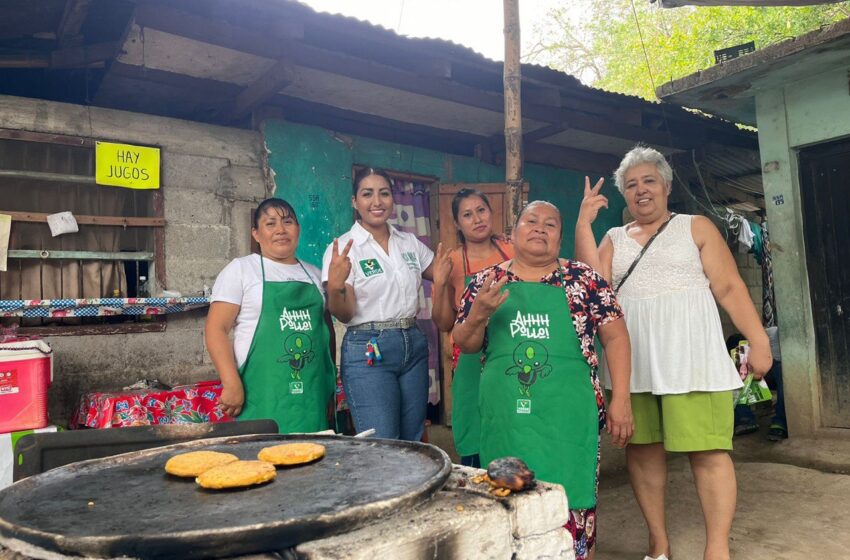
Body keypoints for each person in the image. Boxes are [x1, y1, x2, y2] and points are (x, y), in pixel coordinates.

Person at [575, 145, 772, 560]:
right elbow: (592, 287)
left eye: (648, 181)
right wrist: (583, 222)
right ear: (624, 195)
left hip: (692, 359)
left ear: (666, 185)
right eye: (631, 185)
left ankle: (716, 549)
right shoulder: (613, 238)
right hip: (634, 364)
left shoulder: (695, 226)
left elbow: (729, 287)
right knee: (643, 452)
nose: (640, 190)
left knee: (709, 451)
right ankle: (658, 543)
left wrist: (759, 340)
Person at [454, 200, 633, 560]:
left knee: (573, 504)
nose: (540, 228)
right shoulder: (487, 283)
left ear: (560, 238)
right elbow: (465, 343)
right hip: (506, 419)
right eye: (531, 221)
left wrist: (621, 400)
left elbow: (616, 337)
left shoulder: (586, 281)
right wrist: (479, 315)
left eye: (551, 224)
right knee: (508, 508)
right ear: (513, 232)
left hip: (570, 419)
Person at [322, 167, 435, 441]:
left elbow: (442, 274)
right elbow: (344, 313)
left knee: (413, 441)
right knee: (382, 442)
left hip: (413, 344)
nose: (377, 201)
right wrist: (336, 286)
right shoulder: (344, 248)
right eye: (367, 194)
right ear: (355, 202)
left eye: (384, 193)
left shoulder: (409, 242)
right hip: (368, 349)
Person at [206, 198, 336, 433]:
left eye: (288, 222)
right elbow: (216, 329)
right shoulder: (242, 270)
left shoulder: (315, 275)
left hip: (312, 396)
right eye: (270, 223)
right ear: (256, 234)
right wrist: (231, 382)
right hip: (262, 393)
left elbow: (325, 332)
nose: (280, 230)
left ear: (298, 229)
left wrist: (329, 386)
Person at [431, 188, 514, 468]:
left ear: (491, 213)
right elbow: (443, 322)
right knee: (477, 430)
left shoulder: (513, 251)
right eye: (467, 214)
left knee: (513, 425)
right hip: (470, 358)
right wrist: (440, 283)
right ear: (457, 223)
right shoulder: (452, 262)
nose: (476, 218)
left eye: (481, 210)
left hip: (512, 352)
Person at [731, 327, 787, 441]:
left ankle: (780, 421)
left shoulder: (777, 334)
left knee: (782, 370)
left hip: (773, 371)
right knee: (738, 369)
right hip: (755, 371)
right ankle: (744, 418)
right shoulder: (765, 333)